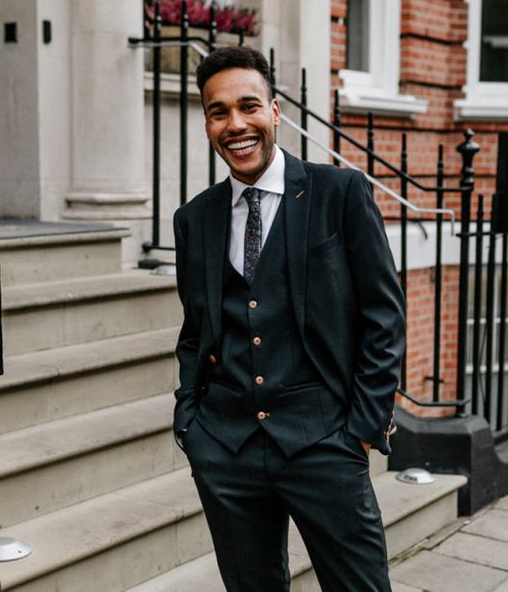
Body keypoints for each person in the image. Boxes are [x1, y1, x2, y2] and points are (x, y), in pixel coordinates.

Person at [172, 46, 405, 591]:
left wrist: (362, 431)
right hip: (225, 446)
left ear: (275, 111)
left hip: (325, 442)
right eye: (218, 111)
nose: (236, 124)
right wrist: (191, 420)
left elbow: (383, 315)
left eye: (248, 106)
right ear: (207, 122)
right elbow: (194, 330)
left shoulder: (339, 193)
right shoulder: (194, 219)